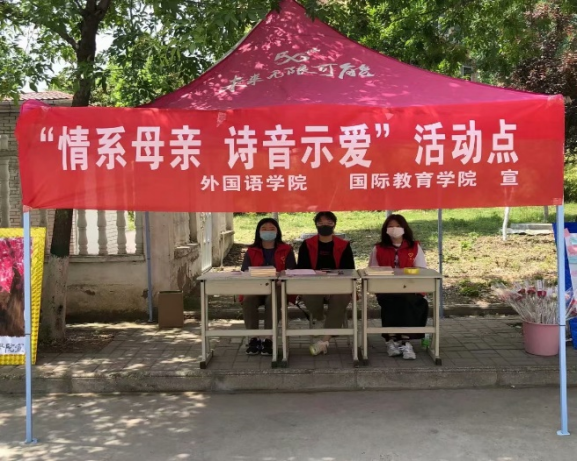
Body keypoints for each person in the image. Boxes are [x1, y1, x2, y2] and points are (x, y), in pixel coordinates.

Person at [369, 214, 429, 360]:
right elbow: (372, 270)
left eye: (397, 226)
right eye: (390, 226)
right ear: (385, 230)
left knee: (407, 301)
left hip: (410, 289)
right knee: (391, 302)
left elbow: (421, 269)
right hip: (386, 289)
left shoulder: (414, 247)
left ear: (404, 228)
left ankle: (405, 340)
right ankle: (391, 340)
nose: (394, 229)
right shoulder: (378, 248)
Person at [297, 211, 356, 356]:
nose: (325, 225)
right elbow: (301, 268)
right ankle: (321, 319)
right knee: (308, 294)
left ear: (334, 224)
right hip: (313, 284)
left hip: (337, 285)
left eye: (329, 222)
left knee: (342, 296)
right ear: (316, 225)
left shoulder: (343, 245)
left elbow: (349, 270)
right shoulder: (307, 244)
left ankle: (324, 341)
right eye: (321, 222)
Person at [240, 218, 296, 356]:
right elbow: (245, 271)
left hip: (277, 287)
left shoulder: (286, 249)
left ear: (277, 232)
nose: (268, 231)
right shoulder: (251, 251)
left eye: (272, 229)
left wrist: (281, 276)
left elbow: (292, 271)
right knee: (248, 300)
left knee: (273, 300)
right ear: (258, 232)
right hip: (256, 287)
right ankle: (253, 338)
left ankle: (268, 339)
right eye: (264, 229)